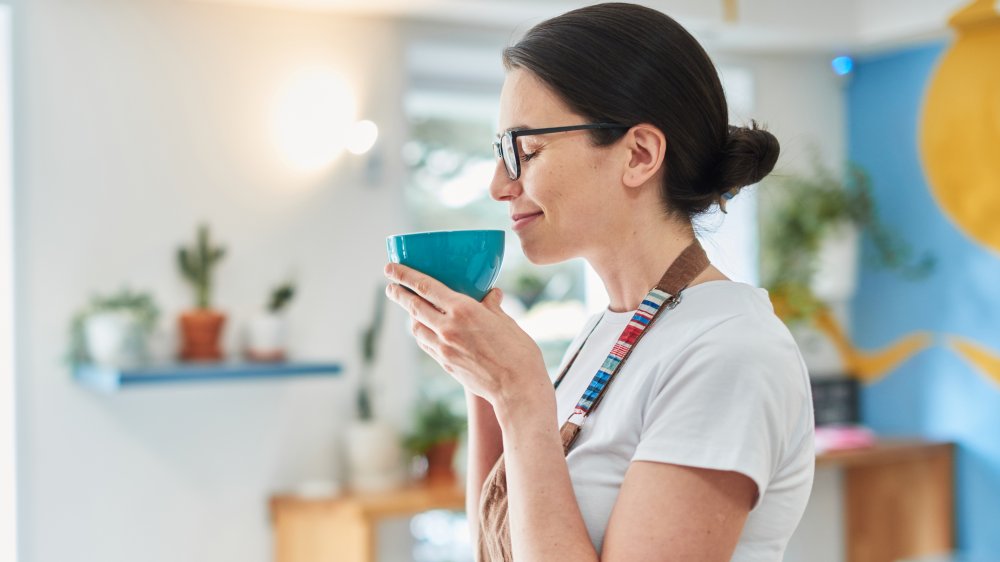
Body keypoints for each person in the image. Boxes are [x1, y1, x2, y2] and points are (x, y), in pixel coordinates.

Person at [384, 3, 815, 561]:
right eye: (500, 152)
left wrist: (520, 395)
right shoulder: (607, 332)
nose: (498, 184)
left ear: (638, 154)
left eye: (526, 150)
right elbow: (503, 547)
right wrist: (482, 378)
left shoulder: (730, 350)